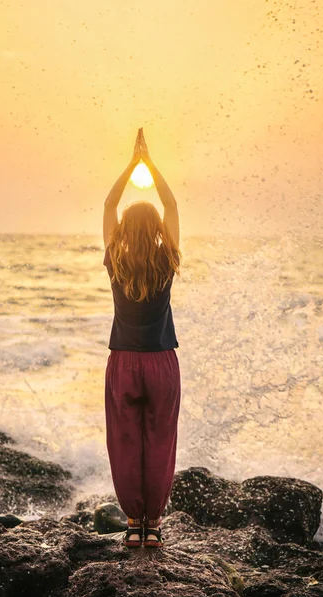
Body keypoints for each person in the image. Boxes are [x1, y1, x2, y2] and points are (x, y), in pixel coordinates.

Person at [102, 128, 182, 549]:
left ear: (123, 229)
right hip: (162, 361)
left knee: (125, 440)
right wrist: (150, 163)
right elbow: (170, 202)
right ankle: (154, 526)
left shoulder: (115, 258)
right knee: (160, 439)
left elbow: (109, 203)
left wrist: (131, 164)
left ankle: (134, 523)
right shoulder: (167, 258)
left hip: (124, 362)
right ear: (155, 229)